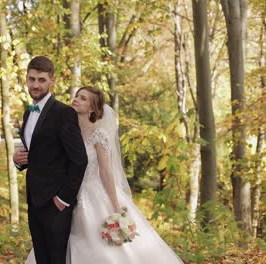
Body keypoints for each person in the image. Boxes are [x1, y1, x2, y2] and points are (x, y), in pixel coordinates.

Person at [26, 86, 183, 263]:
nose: (76, 99)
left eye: (83, 98)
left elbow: (106, 171)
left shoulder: (99, 135)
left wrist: (115, 206)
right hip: (66, 192)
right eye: (77, 96)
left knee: (100, 247)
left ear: (92, 108)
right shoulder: (67, 130)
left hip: (93, 195)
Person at [13, 56, 88, 264]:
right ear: (26, 79)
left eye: (41, 80)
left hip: (56, 204)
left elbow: (79, 160)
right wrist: (18, 160)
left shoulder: (64, 113)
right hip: (34, 200)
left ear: (52, 81)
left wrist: (63, 199)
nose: (35, 85)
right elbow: (37, 154)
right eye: (32, 79)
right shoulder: (28, 113)